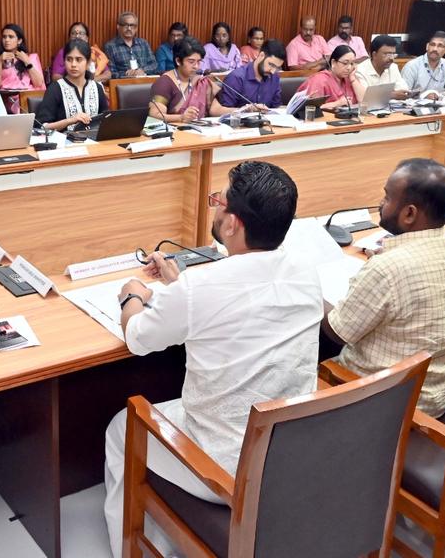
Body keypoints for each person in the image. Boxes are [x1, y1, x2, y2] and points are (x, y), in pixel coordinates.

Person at [104, 161, 322, 558]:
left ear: (233, 224)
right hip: (292, 450)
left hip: (226, 466)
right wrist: (178, 289)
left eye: (218, 201)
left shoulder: (200, 287)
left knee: (122, 427)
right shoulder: (306, 269)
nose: (215, 208)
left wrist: (132, 294)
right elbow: (246, 293)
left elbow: (137, 337)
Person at [324, 159, 445, 416]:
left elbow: (337, 332)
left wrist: (311, 289)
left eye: (387, 198)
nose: (380, 204)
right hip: (435, 400)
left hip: (375, 403)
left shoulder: (388, 269)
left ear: (409, 213)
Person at [34, 39, 110, 131]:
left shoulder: (97, 88)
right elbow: (41, 127)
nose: (73, 64)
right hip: (65, 142)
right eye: (69, 59)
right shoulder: (55, 89)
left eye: (78, 60)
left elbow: (106, 120)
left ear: (88, 63)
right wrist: (70, 120)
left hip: (94, 142)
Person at [149, 37, 217, 123]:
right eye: (191, 62)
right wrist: (180, 118)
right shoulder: (164, 83)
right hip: (175, 132)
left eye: (199, 62)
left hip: (201, 131)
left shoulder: (200, 81)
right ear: (178, 61)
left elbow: (220, 102)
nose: (196, 66)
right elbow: (155, 115)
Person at [209, 39, 286, 115]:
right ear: (261, 55)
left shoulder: (274, 77)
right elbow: (222, 112)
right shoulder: (236, 78)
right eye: (271, 65)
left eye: (277, 68)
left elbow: (276, 108)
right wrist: (245, 110)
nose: (272, 71)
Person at [0, 23, 46, 113]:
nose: (6, 40)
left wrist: (27, 62)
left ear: (19, 41)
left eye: (11, 37)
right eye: (4, 37)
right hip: (8, 99)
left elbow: (38, 83)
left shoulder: (31, 57)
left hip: (29, 98)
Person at [296, 44, 367, 110]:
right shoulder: (319, 80)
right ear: (333, 62)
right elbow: (310, 108)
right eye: (345, 63)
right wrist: (337, 103)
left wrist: (353, 79)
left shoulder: (350, 79)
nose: (349, 67)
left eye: (352, 63)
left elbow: (365, 102)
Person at [401, 31, 445, 99]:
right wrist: (423, 96)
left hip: (439, 105)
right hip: (414, 106)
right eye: (432, 44)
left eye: (440, 46)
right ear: (427, 46)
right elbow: (403, 94)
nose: (435, 49)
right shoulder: (412, 66)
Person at [103, 11, 158, 78]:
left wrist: (143, 70)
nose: (129, 28)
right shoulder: (110, 46)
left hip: (145, 82)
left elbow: (154, 64)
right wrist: (126, 74)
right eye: (125, 25)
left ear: (136, 28)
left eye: (132, 25)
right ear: (118, 26)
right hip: (124, 84)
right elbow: (111, 72)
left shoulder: (143, 44)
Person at [356, 35, 411, 100]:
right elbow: (365, 97)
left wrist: (385, 95)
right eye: (387, 54)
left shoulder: (393, 67)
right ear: (374, 55)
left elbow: (403, 91)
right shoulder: (360, 70)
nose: (391, 58)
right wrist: (391, 95)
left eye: (393, 54)